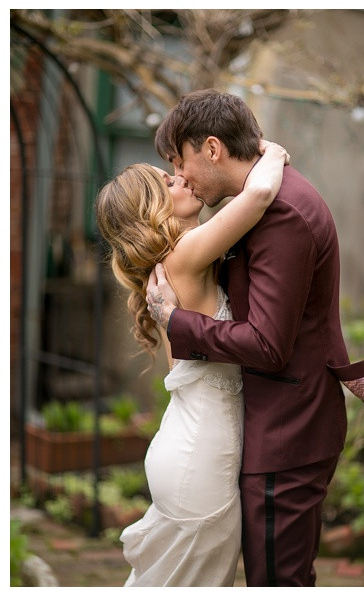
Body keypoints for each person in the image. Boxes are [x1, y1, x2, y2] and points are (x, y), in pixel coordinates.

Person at [144, 89, 364, 587]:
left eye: (179, 159)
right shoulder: (259, 201)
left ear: (212, 148)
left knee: (278, 582)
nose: (181, 175)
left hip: (288, 433)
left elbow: (267, 345)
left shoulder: (282, 212)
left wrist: (176, 323)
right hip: (269, 427)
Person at [95, 139, 290, 586]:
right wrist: (272, 152)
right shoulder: (183, 256)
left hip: (190, 447)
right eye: (167, 181)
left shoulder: (181, 259)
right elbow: (258, 196)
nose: (180, 176)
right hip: (200, 455)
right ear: (152, 210)